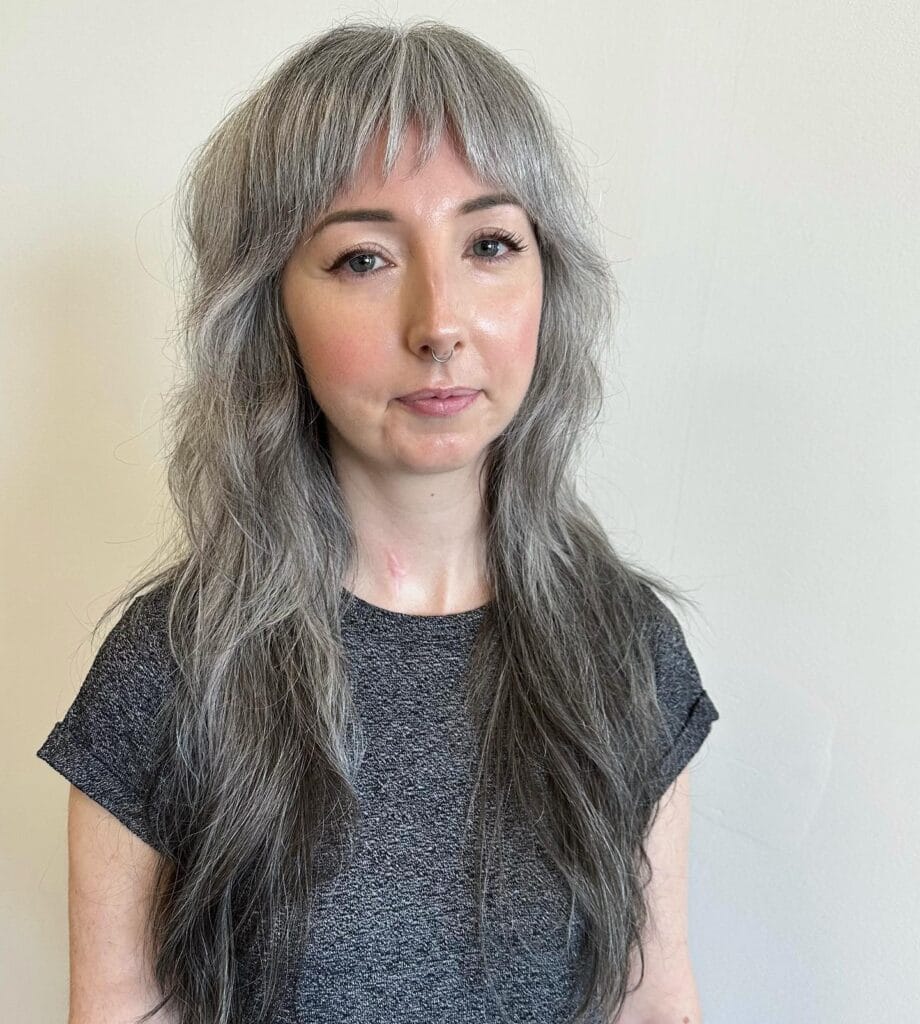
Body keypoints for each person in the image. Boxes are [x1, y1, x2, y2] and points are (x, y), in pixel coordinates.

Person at [36, 17, 720, 1024]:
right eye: (363, 258)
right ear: (267, 308)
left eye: (489, 243)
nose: (438, 321)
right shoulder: (172, 668)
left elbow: (654, 1004)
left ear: (548, 284)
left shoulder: (622, 652)